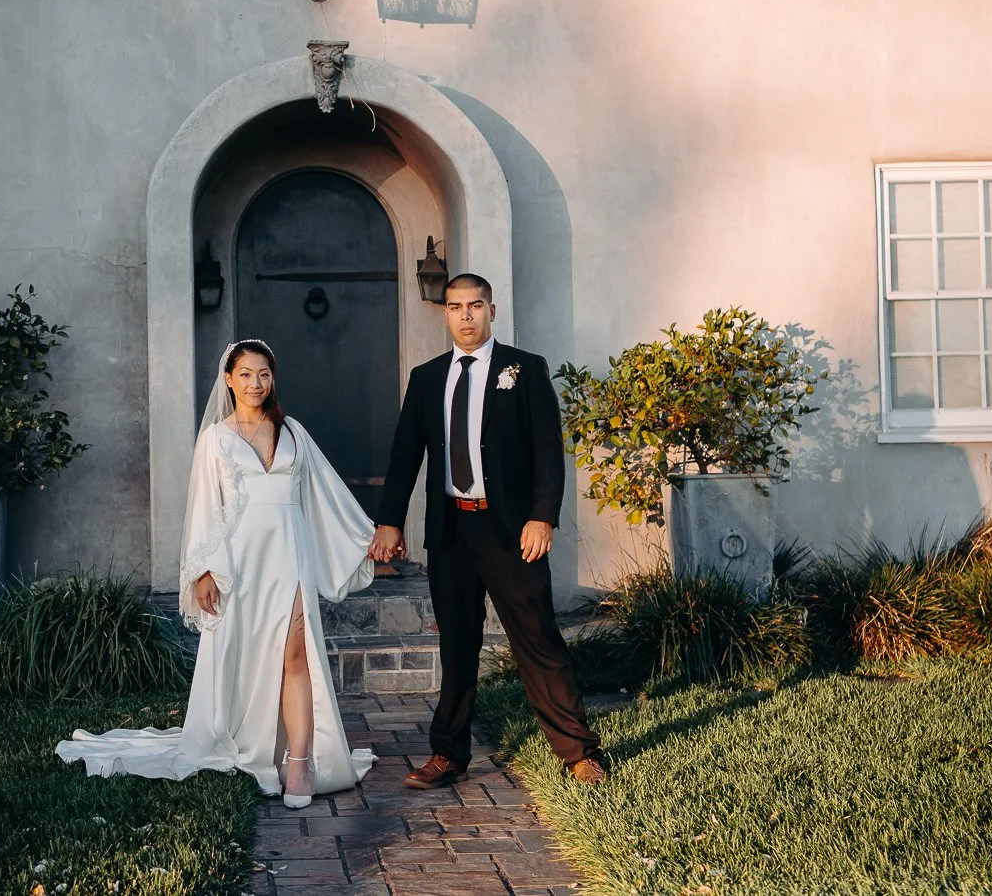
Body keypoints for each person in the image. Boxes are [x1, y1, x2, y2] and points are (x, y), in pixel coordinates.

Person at [56, 340, 377, 808]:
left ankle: (301, 763)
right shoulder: (216, 439)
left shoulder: (293, 433)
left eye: (264, 374)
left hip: (291, 555)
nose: (255, 383)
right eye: (245, 374)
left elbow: (327, 492)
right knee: (243, 654)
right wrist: (203, 571)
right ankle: (247, 737)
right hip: (240, 562)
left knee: (297, 652)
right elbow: (205, 507)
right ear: (229, 379)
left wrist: (367, 536)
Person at [367, 274, 607, 788]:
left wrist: (542, 516)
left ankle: (578, 753)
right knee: (457, 647)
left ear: (492, 311)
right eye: (456, 307)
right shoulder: (427, 378)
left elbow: (548, 450)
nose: (466, 316)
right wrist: (389, 520)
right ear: (445, 314)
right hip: (452, 531)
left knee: (538, 639)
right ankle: (448, 755)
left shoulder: (524, 369)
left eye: (476, 306)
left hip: (511, 531)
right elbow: (406, 454)